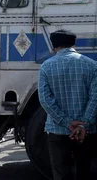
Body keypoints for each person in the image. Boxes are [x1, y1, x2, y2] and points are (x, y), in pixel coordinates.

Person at [38, 29, 97, 180]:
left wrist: (67, 122)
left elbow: (45, 99)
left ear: (53, 46)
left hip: (56, 130)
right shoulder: (91, 65)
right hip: (86, 133)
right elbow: (95, 98)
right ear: (74, 43)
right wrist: (84, 125)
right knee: (84, 173)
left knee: (61, 175)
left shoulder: (46, 67)